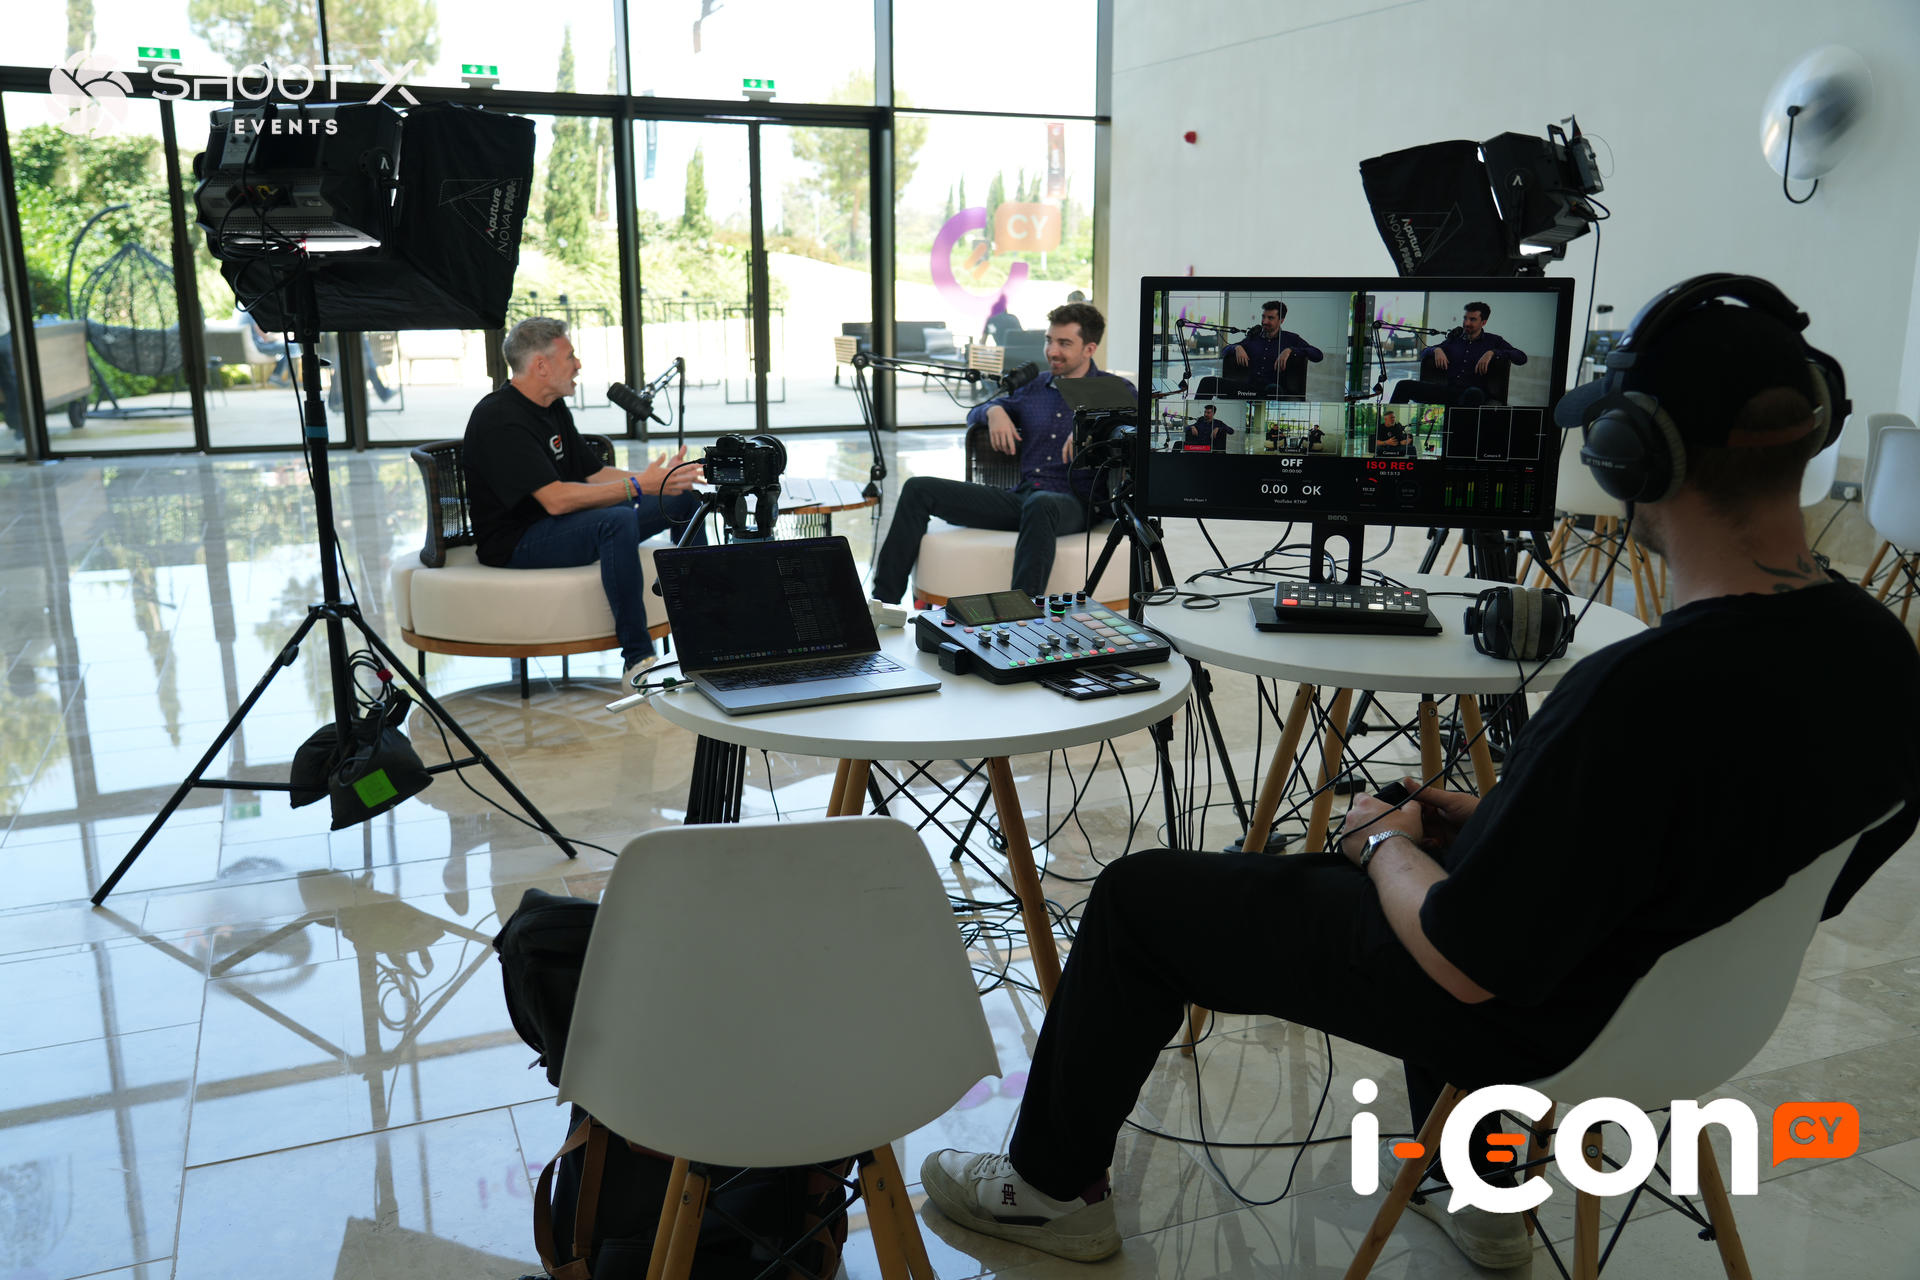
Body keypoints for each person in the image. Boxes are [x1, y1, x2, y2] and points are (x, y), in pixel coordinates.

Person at [915, 280, 1920, 1270]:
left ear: (1633, 457)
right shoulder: (1885, 657)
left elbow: (1464, 957)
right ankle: (1482, 1191)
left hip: (1531, 1017)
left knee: (1141, 901)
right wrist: (1500, 822)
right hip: (1690, 1017)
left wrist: (1382, 845)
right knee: (1442, 845)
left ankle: (1050, 1190)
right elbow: (1773, 862)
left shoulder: (1634, 690)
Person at [462, 317, 706, 689]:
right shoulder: (500, 418)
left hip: (558, 526)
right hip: (515, 541)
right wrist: (638, 486)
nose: (578, 364)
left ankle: (702, 628)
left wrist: (660, 481)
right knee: (617, 520)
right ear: (541, 366)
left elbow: (593, 474)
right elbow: (557, 501)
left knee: (681, 498)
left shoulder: (551, 406)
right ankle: (638, 660)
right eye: (570, 356)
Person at [872, 303, 1131, 604]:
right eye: (1049, 340)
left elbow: (1136, 426)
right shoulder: (1034, 387)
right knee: (918, 489)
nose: (1052, 351)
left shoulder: (1113, 389)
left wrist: (1092, 429)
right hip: (1022, 498)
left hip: (1075, 505)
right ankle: (882, 604)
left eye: (1064, 343)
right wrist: (993, 410)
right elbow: (975, 412)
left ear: (1089, 348)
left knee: (1042, 504)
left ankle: (1019, 613)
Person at [1398, 301, 1528, 407]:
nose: (1466, 323)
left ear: (1483, 322)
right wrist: (1436, 350)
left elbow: (1521, 357)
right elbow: (1423, 353)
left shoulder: (1493, 341)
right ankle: (1390, 428)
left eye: (1472, 319)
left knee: (1473, 395)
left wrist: (1492, 353)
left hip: (1475, 392)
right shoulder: (1454, 340)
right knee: (1403, 386)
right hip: (1449, 390)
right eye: (1465, 318)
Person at [1227, 300, 1323, 393]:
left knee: (1272, 389)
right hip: (1251, 390)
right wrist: (1237, 347)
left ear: (1281, 320)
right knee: (1220, 384)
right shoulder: (1253, 338)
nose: (1264, 321)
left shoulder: (1291, 339)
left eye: (1270, 318)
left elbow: (1318, 355)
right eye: (1263, 317)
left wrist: (1290, 350)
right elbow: (1224, 350)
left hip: (1275, 391)